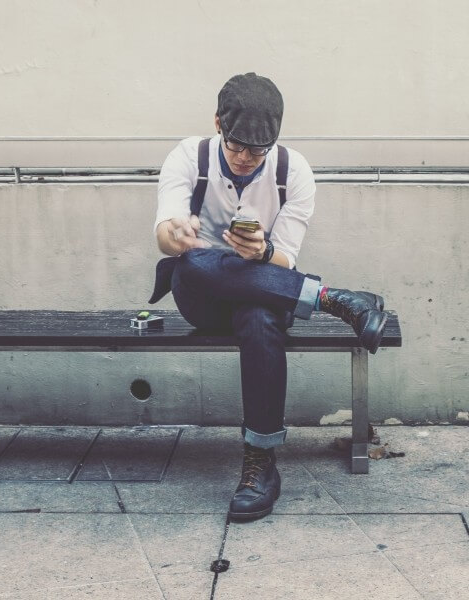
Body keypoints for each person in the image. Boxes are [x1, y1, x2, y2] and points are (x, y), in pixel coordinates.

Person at [148, 73, 388, 521]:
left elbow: (286, 257)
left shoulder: (292, 171)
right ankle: (336, 300)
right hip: (201, 297)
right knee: (197, 261)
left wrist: (265, 250)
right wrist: (176, 235)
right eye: (235, 145)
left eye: (256, 150)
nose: (244, 158)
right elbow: (165, 229)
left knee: (259, 314)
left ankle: (260, 463)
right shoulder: (189, 155)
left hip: (266, 295)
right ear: (217, 123)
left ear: (274, 141)